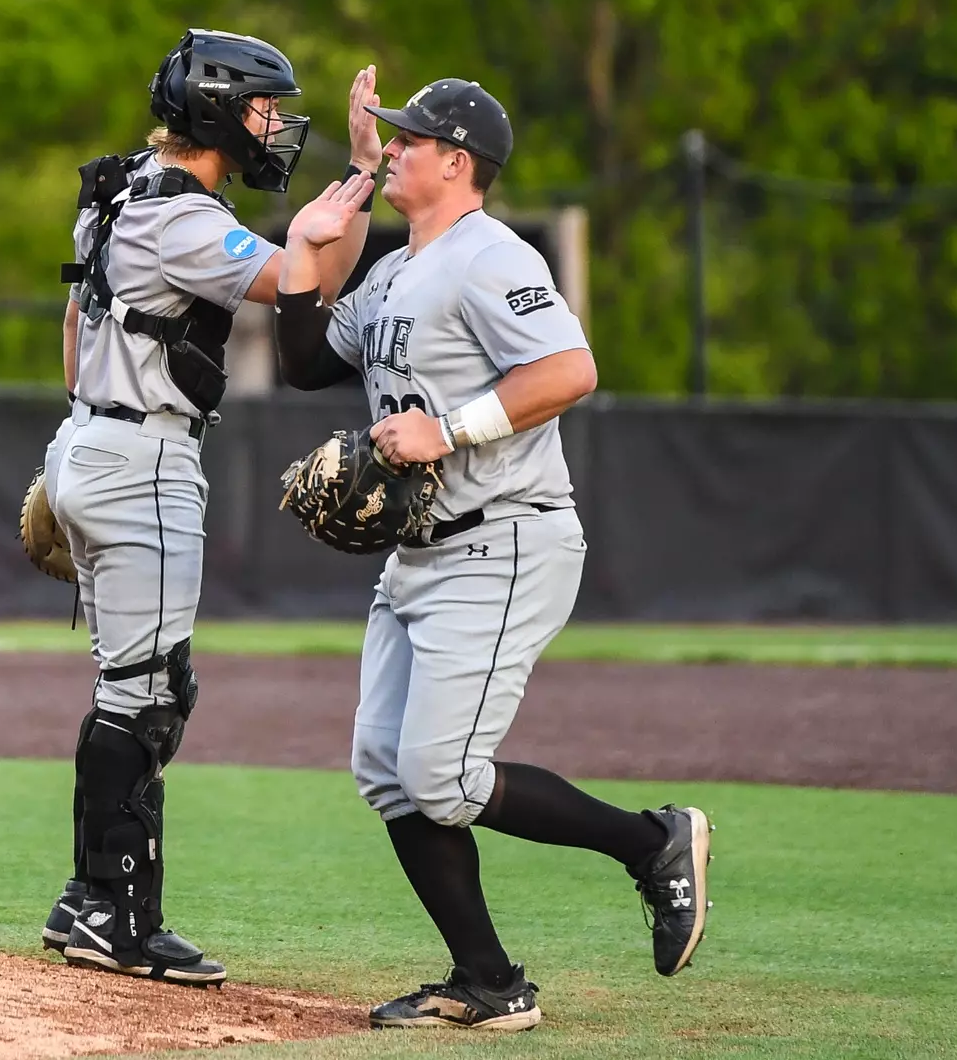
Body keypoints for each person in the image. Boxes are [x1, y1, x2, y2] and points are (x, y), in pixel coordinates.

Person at [270, 79, 712, 1029]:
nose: (392, 151)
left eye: (407, 142)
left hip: (504, 534)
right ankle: (489, 983)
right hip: (421, 553)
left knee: (443, 777)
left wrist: (452, 429)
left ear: (456, 161)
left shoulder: (489, 256)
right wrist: (309, 248)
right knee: (387, 771)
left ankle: (651, 841)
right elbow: (306, 361)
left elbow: (570, 369)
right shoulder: (392, 270)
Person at [34, 29, 382, 985]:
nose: (274, 125)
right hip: (141, 455)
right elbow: (301, 283)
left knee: (130, 688)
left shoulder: (117, 189)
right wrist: (359, 180)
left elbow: (75, 331)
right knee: (149, 699)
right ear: (219, 109)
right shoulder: (184, 218)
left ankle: (89, 901)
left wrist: (82, 437)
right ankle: (116, 914)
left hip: (92, 438)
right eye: (264, 107)